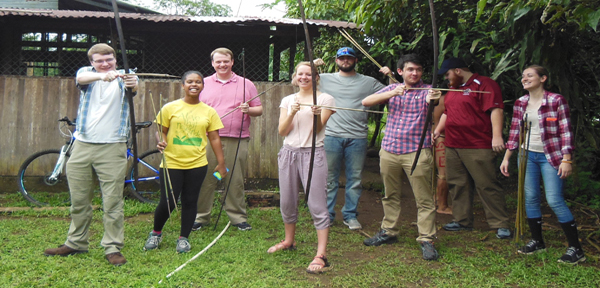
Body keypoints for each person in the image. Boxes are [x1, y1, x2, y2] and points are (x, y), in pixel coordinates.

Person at [44, 43, 138, 266]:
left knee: (113, 201)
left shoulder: (127, 76)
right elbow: (82, 80)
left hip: (113, 146)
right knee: (78, 200)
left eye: (109, 60)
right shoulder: (85, 74)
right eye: (99, 61)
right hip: (82, 145)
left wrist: (131, 83)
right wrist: (101, 77)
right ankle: (76, 243)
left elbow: (133, 87)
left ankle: (113, 247)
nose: (105, 64)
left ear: (115, 59)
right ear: (92, 63)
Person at [500, 65, 585, 264]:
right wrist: (507, 157)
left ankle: (576, 248)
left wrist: (567, 159)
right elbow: (514, 133)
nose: (525, 79)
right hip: (527, 155)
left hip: (551, 156)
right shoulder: (521, 102)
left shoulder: (556, 100)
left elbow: (565, 131)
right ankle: (537, 241)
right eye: (523, 76)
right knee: (530, 198)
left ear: (543, 78)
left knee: (554, 199)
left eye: (530, 75)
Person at [361, 54, 441, 261]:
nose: (415, 73)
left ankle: (426, 238)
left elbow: (435, 106)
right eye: (410, 70)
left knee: (423, 198)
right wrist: (393, 92)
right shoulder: (392, 89)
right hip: (390, 149)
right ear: (400, 72)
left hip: (417, 151)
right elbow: (366, 101)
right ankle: (389, 231)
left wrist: (434, 99)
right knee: (390, 193)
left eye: (418, 70)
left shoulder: (427, 90)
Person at [143, 71, 227, 253]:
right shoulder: (170, 108)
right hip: (171, 162)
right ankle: (156, 233)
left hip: (197, 164)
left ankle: (183, 238)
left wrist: (221, 163)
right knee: (168, 201)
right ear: (183, 85)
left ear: (203, 86)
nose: (194, 85)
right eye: (190, 82)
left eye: (198, 82)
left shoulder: (209, 111)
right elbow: (161, 130)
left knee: (190, 201)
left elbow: (214, 138)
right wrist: (161, 140)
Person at [267, 62, 335, 274]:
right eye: (300, 74)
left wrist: (316, 114)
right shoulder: (288, 100)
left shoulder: (325, 99)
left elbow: (317, 131)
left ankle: (321, 254)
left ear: (316, 77)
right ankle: (289, 241)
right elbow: (282, 131)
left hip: (312, 153)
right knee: (287, 200)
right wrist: (292, 112)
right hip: (288, 153)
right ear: (295, 77)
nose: (304, 77)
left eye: (309, 74)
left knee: (316, 204)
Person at [433, 58, 511, 239]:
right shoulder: (453, 89)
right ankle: (462, 221)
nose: (446, 78)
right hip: (453, 144)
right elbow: (447, 112)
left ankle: (500, 223)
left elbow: (496, 109)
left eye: (447, 74)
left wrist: (497, 136)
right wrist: (437, 131)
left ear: (458, 71)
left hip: (477, 145)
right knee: (458, 184)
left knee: (487, 184)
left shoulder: (484, 84)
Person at [314, 47, 387, 230]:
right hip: (331, 135)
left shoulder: (369, 82)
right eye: (342, 58)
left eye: (349, 58)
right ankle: (327, 216)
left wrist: (391, 75)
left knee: (355, 178)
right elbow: (300, 81)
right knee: (329, 178)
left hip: (358, 137)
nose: (345, 61)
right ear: (336, 60)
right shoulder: (324, 79)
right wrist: (311, 65)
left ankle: (350, 215)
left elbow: (392, 93)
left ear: (355, 60)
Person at [193, 47, 262, 231]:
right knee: (206, 176)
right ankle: (200, 217)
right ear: (212, 63)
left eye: (226, 61)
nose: (222, 64)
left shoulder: (246, 83)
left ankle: (238, 217)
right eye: (218, 61)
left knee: (233, 177)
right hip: (207, 139)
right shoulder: (203, 83)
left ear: (232, 62)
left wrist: (249, 110)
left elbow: (259, 109)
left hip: (236, 140)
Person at [432, 94, 452, 215]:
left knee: (443, 173)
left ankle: (436, 199)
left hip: (438, 136)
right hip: (441, 138)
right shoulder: (445, 99)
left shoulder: (439, 98)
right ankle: (442, 206)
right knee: (443, 174)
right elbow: (439, 120)